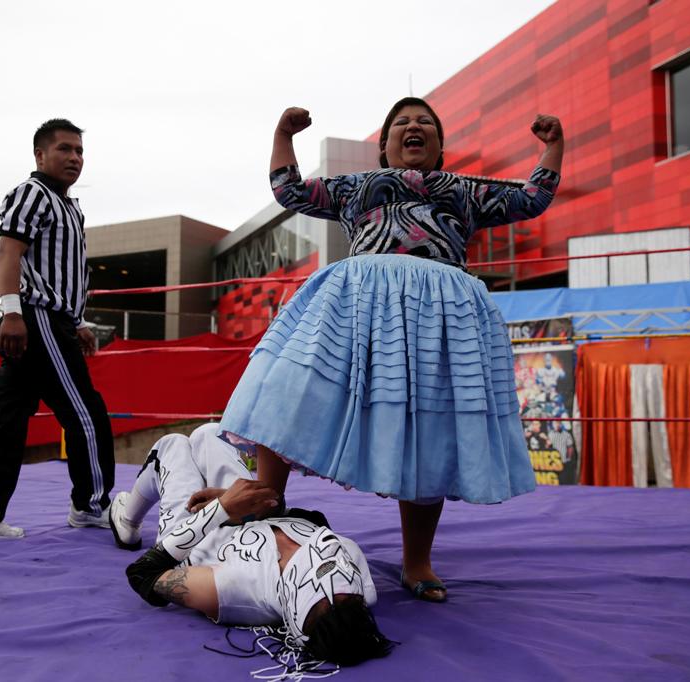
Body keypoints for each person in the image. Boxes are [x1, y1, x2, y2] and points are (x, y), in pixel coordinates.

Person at [219, 97, 563, 601]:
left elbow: (532, 197)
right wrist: (283, 136)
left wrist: (554, 147)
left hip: (437, 314)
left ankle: (417, 561)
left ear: (441, 147)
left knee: (431, 428)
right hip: (357, 304)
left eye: (425, 122)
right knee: (289, 386)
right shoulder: (358, 186)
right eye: (401, 123)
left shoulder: (464, 190)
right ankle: (268, 507)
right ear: (383, 147)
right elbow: (289, 190)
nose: (413, 126)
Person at [112, 423, 392, 667]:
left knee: (172, 445)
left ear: (295, 599)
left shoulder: (237, 589)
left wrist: (220, 510)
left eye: (322, 572)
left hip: (194, 537)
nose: (331, 556)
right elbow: (307, 522)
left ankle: (127, 522)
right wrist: (260, 505)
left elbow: (143, 574)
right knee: (210, 434)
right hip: (250, 518)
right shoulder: (353, 574)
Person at [0, 119, 115, 540]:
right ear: (40, 155)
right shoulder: (33, 194)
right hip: (36, 314)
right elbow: (9, 252)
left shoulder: (70, 206)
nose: (75, 158)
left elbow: (69, 271)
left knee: (8, 417)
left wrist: (78, 320)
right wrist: (12, 311)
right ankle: (92, 505)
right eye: (65, 149)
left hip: (51, 316)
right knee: (84, 411)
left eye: (80, 151)